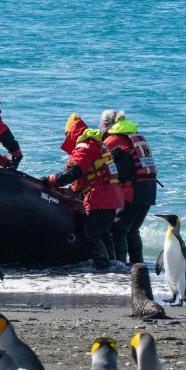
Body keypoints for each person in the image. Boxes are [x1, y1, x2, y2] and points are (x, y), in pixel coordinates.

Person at [43, 114, 123, 270]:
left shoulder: (84, 146)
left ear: (71, 132)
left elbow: (76, 171)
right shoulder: (97, 144)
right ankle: (115, 268)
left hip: (100, 198)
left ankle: (103, 267)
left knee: (91, 236)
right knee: (104, 235)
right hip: (112, 197)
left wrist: (51, 180)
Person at [105, 112, 158, 264]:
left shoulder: (113, 140)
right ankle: (138, 265)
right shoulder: (135, 137)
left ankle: (120, 266)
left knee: (118, 229)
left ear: (109, 124)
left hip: (133, 190)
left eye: (102, 124)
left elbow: (99, 163)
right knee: (132, 229)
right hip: (149, 189)